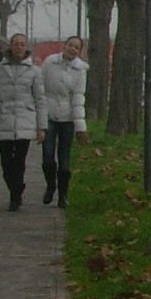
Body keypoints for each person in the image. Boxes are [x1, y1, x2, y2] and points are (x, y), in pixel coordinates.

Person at [0, 34, 47, 210]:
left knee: (19, 160)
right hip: (5, 118)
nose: (19, 47)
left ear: (26, 47)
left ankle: (15, 196)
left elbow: (40, 99)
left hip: (25, 119)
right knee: (5, 160)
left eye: (22, 45)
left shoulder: (34, 71)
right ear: (10, 46)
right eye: (16, 44)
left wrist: (42, 127)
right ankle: (15, 186)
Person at [39, 35, 88, 207]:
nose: (72, 49)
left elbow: (78, 98)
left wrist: (80, 127)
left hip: (67, 118)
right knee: (47, 157)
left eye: (76, 47)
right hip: (49, 116)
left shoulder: (80, 70)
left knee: (64, 161)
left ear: (79, 51)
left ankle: (63, 195)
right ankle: (50, 185)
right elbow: (40, 88)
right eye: (70, 45)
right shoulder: (49, 63)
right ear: (64, 46)